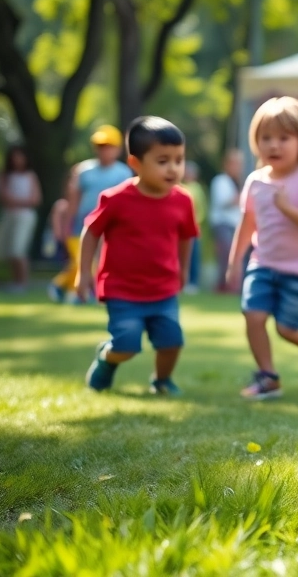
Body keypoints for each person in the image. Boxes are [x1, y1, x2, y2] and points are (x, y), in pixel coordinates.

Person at [226, 97, 298, 400]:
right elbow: (248, 224)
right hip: (263, 263)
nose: (274, 145)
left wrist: (286, 207)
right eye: (266, 138)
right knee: (253, 315)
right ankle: (268, 376)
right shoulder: (255, 181)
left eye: (284, 138)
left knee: (287, 328)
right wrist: (235, 261)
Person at [81, 117, 197, 395]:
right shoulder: (116, 199)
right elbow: (91, 231)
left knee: (171, 342)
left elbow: (186, 237)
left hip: (163, 289)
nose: (173, 168)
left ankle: (162, 380)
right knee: (126, 345)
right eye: (163, 161)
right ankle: (107, 358)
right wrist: (83, 272)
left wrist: (183, 270)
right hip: (122, 290)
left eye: (179, 160)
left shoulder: (183, 201)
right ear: (135, 163)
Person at [51, 125, 133, 302]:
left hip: (110, 225)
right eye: (100, 146)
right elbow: (73, 200)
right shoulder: (83, 170)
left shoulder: (123, 173)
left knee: (99, 261)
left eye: (108, 146)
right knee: (80, 260)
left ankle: (62, 286)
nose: (104, 150)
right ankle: (77, 293)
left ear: (118, 149)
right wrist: (67, 225)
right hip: (82, 223)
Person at [0, 146, 41, 292]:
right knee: (10, 250)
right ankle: (16, 281)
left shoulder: (30, 176)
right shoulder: (6, 175)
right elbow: (3, 197)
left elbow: (35, 199)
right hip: (9, 216)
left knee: (18, 250)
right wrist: (22, 201)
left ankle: (22, 283)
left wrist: (15, 202)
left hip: (25, 217)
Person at [209, 149, 244, 292]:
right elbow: (222, 202)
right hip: (222, 223)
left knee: (235, 256)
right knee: (226, 255)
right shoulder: (220, 180)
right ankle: (223, 286)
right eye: (234, 163)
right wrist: (240, 197)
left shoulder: (236, 182)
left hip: (235, 224)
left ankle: (234, 286)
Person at [180, 161, 207, 294]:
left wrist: (195, 223)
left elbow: (200, 209)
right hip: (180, 230)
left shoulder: (195, 188)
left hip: (194, 228)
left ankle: (193, 283)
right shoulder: (180, 187)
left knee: (193, 256)